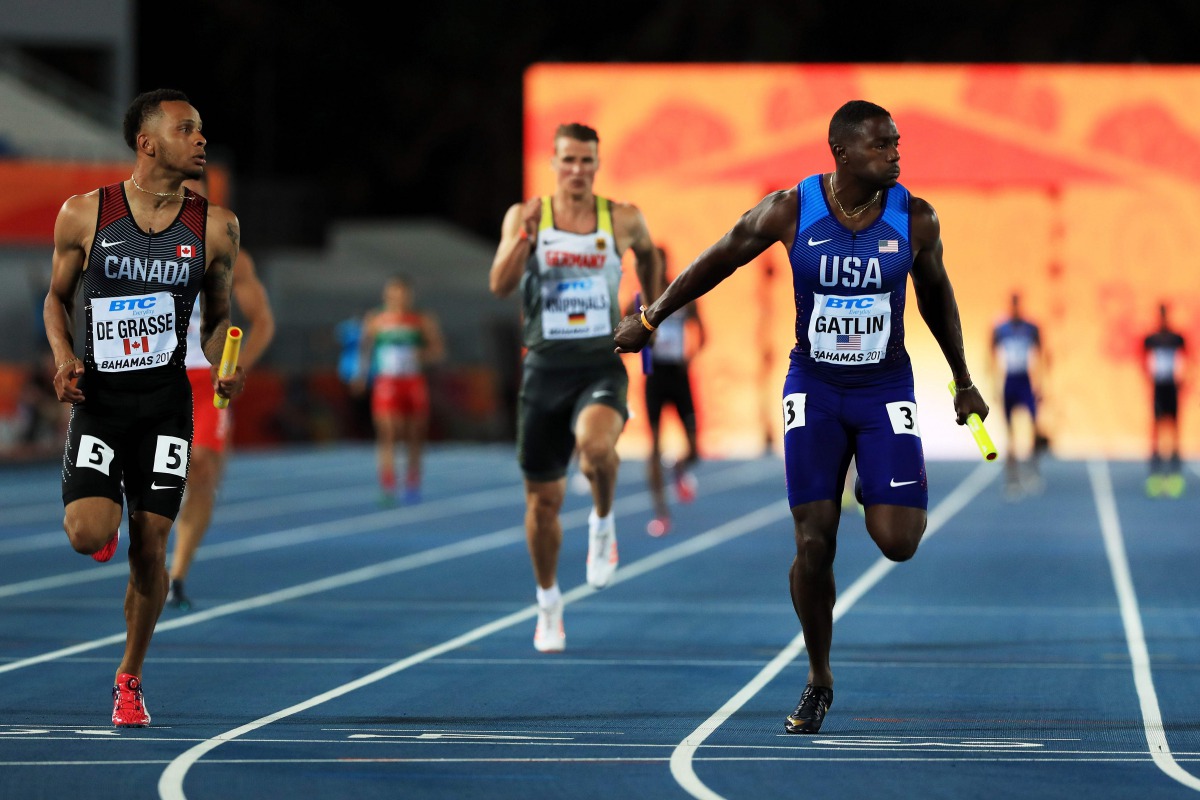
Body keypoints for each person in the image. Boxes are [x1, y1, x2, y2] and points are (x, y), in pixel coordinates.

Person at [615, 100, 989, 734]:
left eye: (897, 143)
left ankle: (873, 475)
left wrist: (963, 380)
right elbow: (722, 255)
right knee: (814, 541)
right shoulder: (792, 209)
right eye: (883, 146)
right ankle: (819, 679)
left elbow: (938, 299)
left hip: (883, 390)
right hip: (813, 388)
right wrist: (652, 318)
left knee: (897, 542)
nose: (897, 154)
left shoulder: (915, 218)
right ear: (842, 153)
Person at [43, 88, 245, 727]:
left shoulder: (216, 226)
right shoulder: (84, 213)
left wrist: (224, 362)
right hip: (101, 399)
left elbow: (218, 321)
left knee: (150, 546)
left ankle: (128, 676)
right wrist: (62, 357)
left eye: (203, 129)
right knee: (88, 535)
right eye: (188, 129)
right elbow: (55, 300)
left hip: (165, 403)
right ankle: (100, 517)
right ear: (147, 142)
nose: (201, 139)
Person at [488, 122, 662, 653]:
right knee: (542, 504)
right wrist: (526, 238)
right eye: (568, 160)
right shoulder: (527, 216)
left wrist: (651, 316)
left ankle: (603, 522)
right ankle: (548, 603)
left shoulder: (622, 218)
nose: (578, 171)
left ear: (597, 165)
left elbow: (652, 257)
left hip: (598, 363)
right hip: (544, 367)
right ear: (553, 162)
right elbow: (498, 286)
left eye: (587, 161)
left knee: (594, 451)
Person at [165, 175, 276, 611]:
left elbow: (263, 321)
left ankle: (176, 576)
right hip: (154, 374)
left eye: (194, 192)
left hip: (203, 377)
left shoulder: (231, 255)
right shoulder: (138, 246)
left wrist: (237, 363)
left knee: (204, 470)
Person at [351, 274, 445, 505]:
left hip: (412, 383)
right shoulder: (376, 319)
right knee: (388, 433)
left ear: (409, 296)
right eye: (394, 293)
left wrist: (422, 354)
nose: (399, 298)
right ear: (387, 294)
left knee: (414, 435)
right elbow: (364, 348)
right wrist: (361, 374)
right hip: (387, 383)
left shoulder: (421, 319)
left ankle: (412, 484)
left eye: (403, 294)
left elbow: (438, 350)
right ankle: (388, 485)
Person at [642, 246, 706, 537]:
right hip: (655, 375)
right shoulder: (641, 297)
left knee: (695, 449)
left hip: (679, 376)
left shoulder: (683, 291)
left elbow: (703, 333)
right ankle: (661, 514)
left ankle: (679, 467)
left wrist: (688, 357)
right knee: (653, 446)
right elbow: (625, 330)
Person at [989, 292, 1047, 499]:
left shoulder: (1031, 328)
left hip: (1025, 381)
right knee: (1010, 433)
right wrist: (994, 385)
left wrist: (1041, 384)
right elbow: (992, 356)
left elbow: (1042, 355)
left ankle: (1032, 471)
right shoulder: (1000, 329)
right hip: (1009, 381)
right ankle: (1012, 477)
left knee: (1033, 428)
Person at [1143, 302, 1188, 498]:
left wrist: (1181, 380)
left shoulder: (1177, 339)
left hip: (1171, 386)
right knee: (1157, 428)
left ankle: (1175, 472)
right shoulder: (1151, 340)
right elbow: (1145, 361)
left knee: (1174, 429)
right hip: (1159, 386)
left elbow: (1184, 361)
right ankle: (1155, 473)